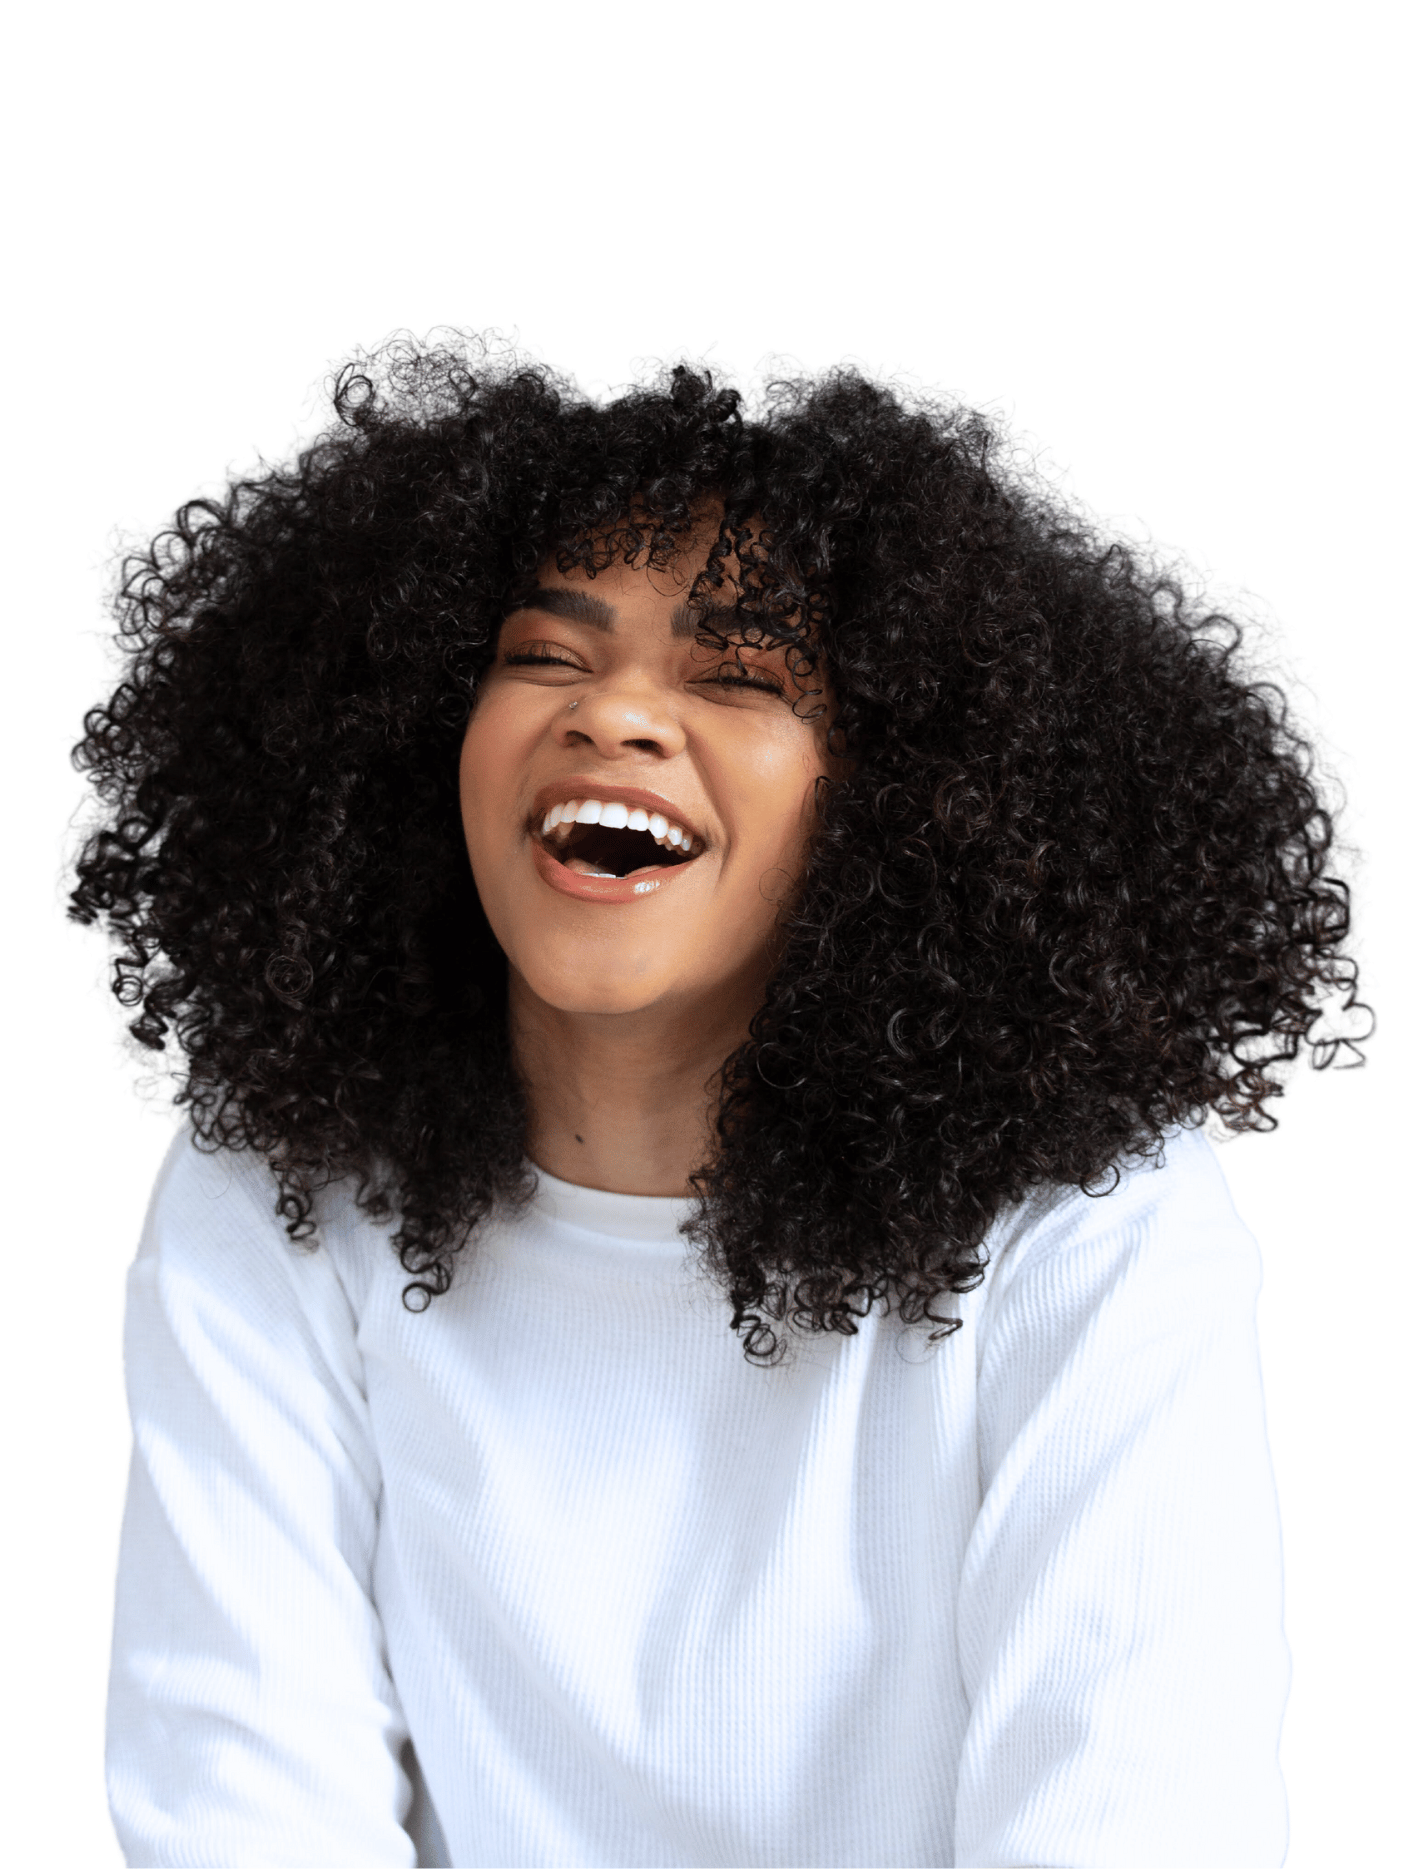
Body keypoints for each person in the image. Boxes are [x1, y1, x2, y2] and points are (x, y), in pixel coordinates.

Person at [72, 338, 1363, 1868]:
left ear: (905, 802)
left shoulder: (1087, 1222)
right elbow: (241, 1804)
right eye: (545, 657)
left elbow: (1131, 1815)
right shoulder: (282, 1186)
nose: (614, 715)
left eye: (741, 675)